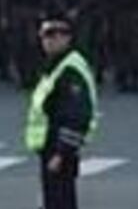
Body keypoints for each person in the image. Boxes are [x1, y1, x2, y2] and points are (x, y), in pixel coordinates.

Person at [24, 17, 96, 209]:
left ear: (67, 38)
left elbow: (77, 115)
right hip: (50, 146)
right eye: (45, 36)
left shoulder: (70, 70)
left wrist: (61, 152)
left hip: (59, 147)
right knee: (54, 200)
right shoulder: (56, 65)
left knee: (60, 201)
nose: (48, 41)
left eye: (55, 36)